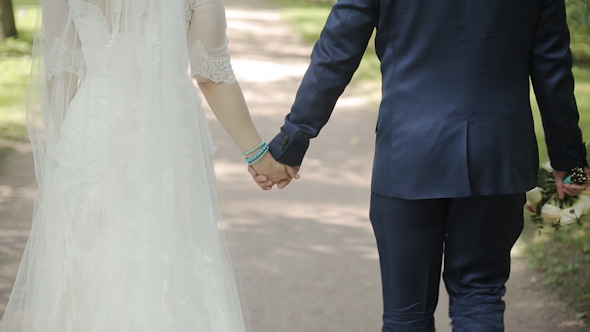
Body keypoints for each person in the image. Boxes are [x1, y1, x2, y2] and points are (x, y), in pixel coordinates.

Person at [251, 0, 589, 330]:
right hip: (496, 155)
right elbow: (553, 69)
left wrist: (290, 144)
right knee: (480, 296)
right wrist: (571, 164)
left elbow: (336, 51)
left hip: (409, 154)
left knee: (406, 313)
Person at [0, 0, 290, 330]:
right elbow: (211, 74)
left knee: (88, 269)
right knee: (169, 263)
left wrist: (64, 153)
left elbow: (60, 71)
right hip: (167, 139)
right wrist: (259, 155)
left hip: (90, 133)